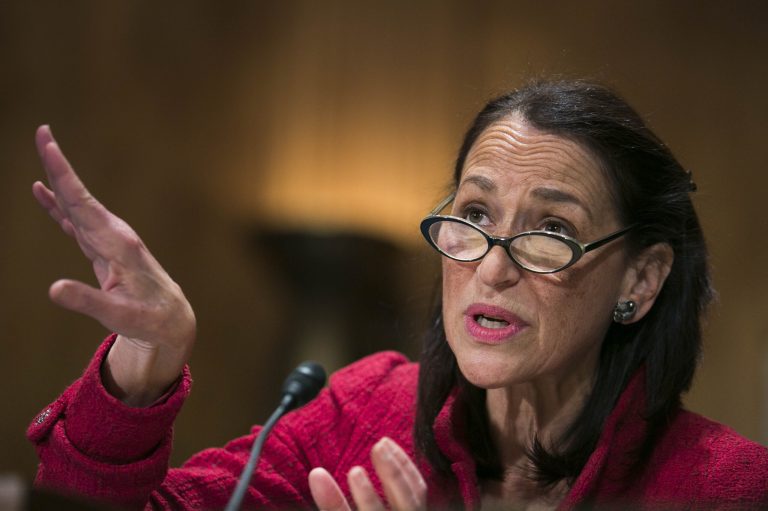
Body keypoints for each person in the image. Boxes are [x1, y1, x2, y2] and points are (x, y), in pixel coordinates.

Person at [27, 80, 768, 510]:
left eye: (551, 229)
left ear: (639, 278)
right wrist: (139, 370)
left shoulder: (725, 487)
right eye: (474, 215)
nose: (493, 266)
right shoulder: (364, 410)